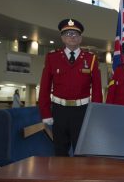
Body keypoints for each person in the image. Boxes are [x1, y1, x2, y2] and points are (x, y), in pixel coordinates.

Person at [38, 18, 103, 156]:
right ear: (62, 37)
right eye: (68, 34)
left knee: (82, 151)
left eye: (75, 34)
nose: (72, 37)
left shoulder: (91, 59)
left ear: (80, 38)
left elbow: (97, 90)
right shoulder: (52, 57)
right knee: (60, 151)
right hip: (59, 111)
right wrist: (46, 113)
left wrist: (95, 114)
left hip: (82, 112)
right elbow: (44, 87)